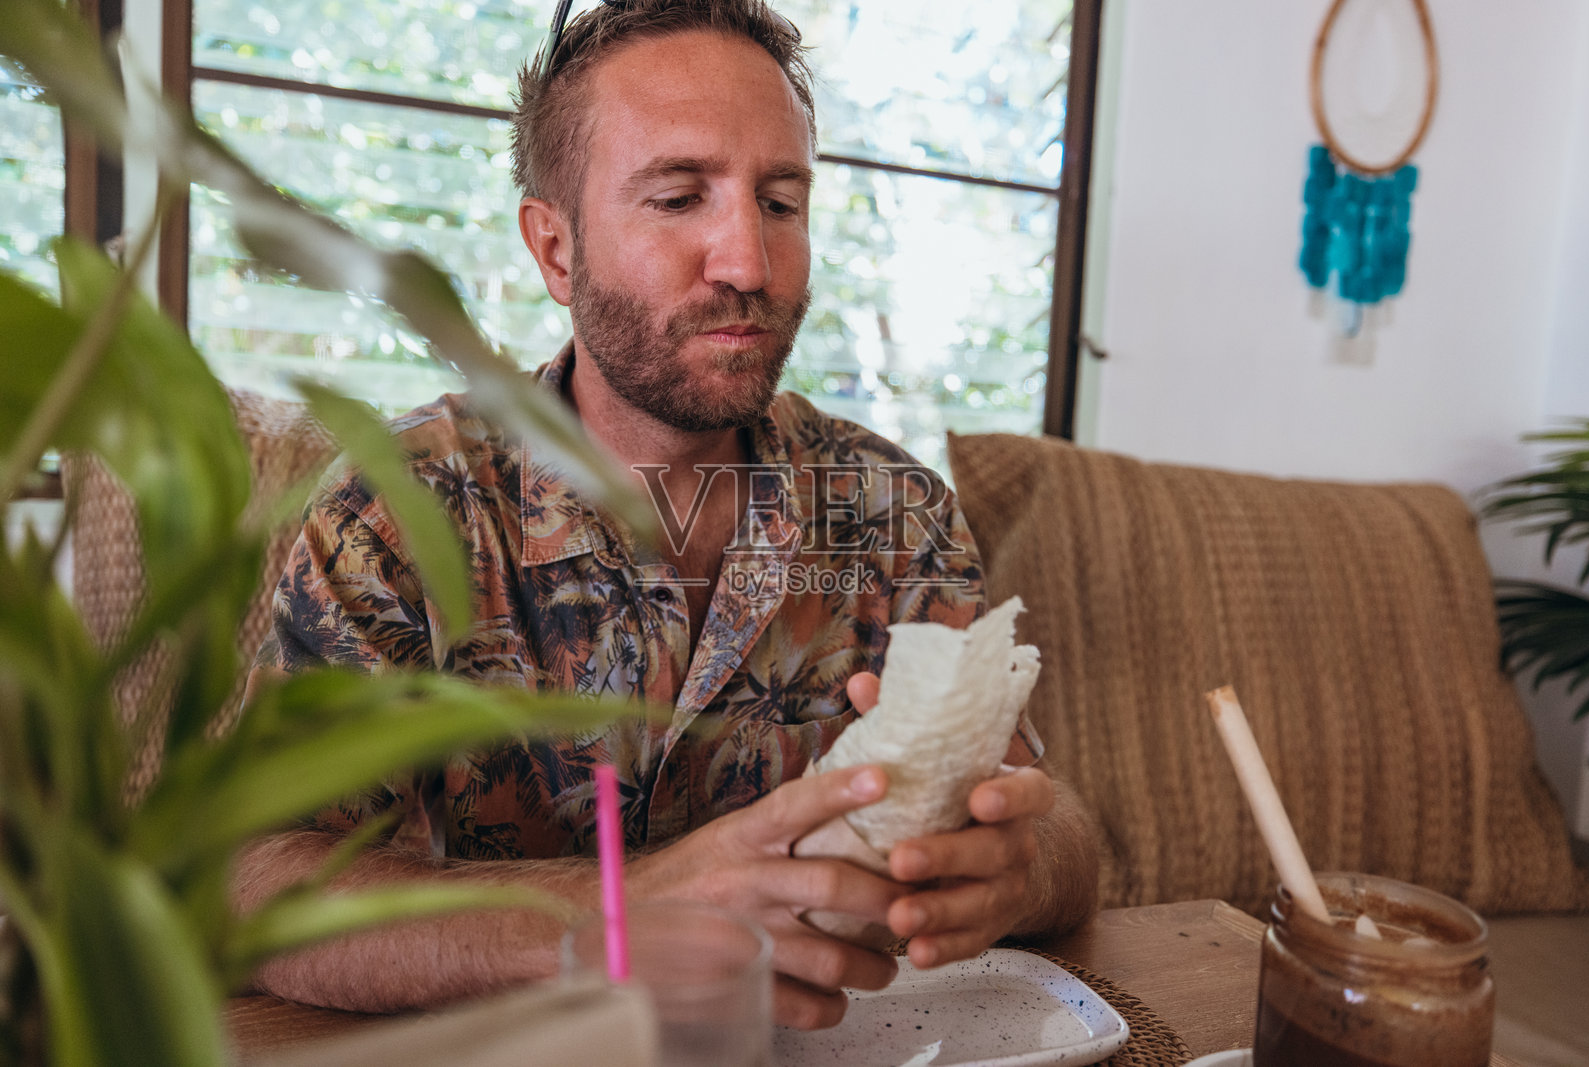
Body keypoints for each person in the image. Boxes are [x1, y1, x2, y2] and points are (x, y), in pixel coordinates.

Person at [235, 0, 1099, 1031]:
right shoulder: (401, 511)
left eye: (780, 203)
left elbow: (1062, 828)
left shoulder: (892, 510)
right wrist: (609, 917)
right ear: (555, 248)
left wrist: (1013, 868)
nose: (747, 261)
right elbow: (258, 881)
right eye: (679, 196)